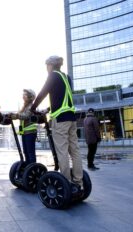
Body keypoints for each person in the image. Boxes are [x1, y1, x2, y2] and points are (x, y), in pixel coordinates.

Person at [30, 55, 83, 190]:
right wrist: (48, 109)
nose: (46, 68)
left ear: (51, 65)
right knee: (75, 151)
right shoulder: (67, 78)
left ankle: (66, 183)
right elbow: (63, 97)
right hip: (71, 118)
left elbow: (42, 93)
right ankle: (78, 182)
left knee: (62, 151)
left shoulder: (52, 76)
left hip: (60, 120)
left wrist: (33, 107)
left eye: (47, 66)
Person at [11, 89, 38, 164]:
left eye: (25, 95)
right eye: (23, 94)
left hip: (30, 132)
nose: (23, 96)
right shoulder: (25, 107)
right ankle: (27, 168)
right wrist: (11, 115)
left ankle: (33, 168)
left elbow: (25, 116)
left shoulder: (31, 106)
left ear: (30, 97)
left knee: (30, 152)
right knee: (26, 152)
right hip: (25, 132)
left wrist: (16, 115)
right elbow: (20, 115)